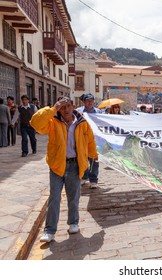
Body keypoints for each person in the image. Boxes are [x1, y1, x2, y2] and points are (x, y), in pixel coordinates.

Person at [30, 97, 98, 243]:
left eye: (68, 106)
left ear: (73, 106)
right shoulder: (52, 121)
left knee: (73, 197)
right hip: (57, 165)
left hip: (75, 165)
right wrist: (52, 109)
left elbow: (90, 140)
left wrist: (93, 155)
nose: (65, 110)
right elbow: (35, 123)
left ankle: (73, 223)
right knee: (54, 197)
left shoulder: (83, 123)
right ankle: (49, 230)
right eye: (62, 107)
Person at [76, 93, 101, 189]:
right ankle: (83, 177)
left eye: (91, 100)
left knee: (94, 161)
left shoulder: (99, 112)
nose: (90, 102)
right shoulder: (78, 112)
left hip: (95, 140)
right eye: (87, 101)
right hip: (82, 140)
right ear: (84, 102)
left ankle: (93, 180)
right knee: (83, 160)